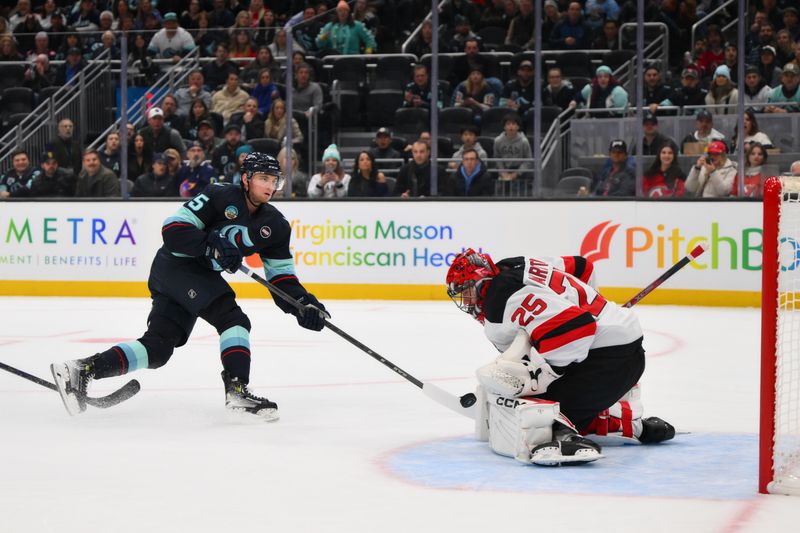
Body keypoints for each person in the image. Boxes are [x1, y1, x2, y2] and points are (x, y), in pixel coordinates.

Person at [50, 153, 329, 421]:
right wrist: (211, 245)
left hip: (187, 278)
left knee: (158, 349)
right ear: (246, 178)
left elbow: (281, 278)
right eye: (263, 178)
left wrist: (303, 304)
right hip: (177, 266)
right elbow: (173, 229)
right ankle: (237, 390)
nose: (270, 186)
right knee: (233, 319)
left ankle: (82, 370)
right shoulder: (219, 195)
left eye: (274, 180)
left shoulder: (276, 226)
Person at [444, 248, 674, 465]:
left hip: (606, 365)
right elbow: (583, 266)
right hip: (626, 353)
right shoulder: (516, 264)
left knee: (532, 404)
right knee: (539, 382)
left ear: (483, 280)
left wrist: (541, 375)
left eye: (468, 291)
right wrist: (590, 306)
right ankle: (620, 423)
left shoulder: (499, 305)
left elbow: (578, 328)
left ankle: (561, 435)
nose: (467, 301)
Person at [493, 113, 532, 182]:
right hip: (504, 170)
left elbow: (528, 160)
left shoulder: (524, 141)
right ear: (504, 127)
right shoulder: (497, 141)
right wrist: (503, 172)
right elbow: (497, 158)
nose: (511, 126)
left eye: (513, 124)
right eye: (508, 124)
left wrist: (516, 174)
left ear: (518, 127)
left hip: (520, 172)